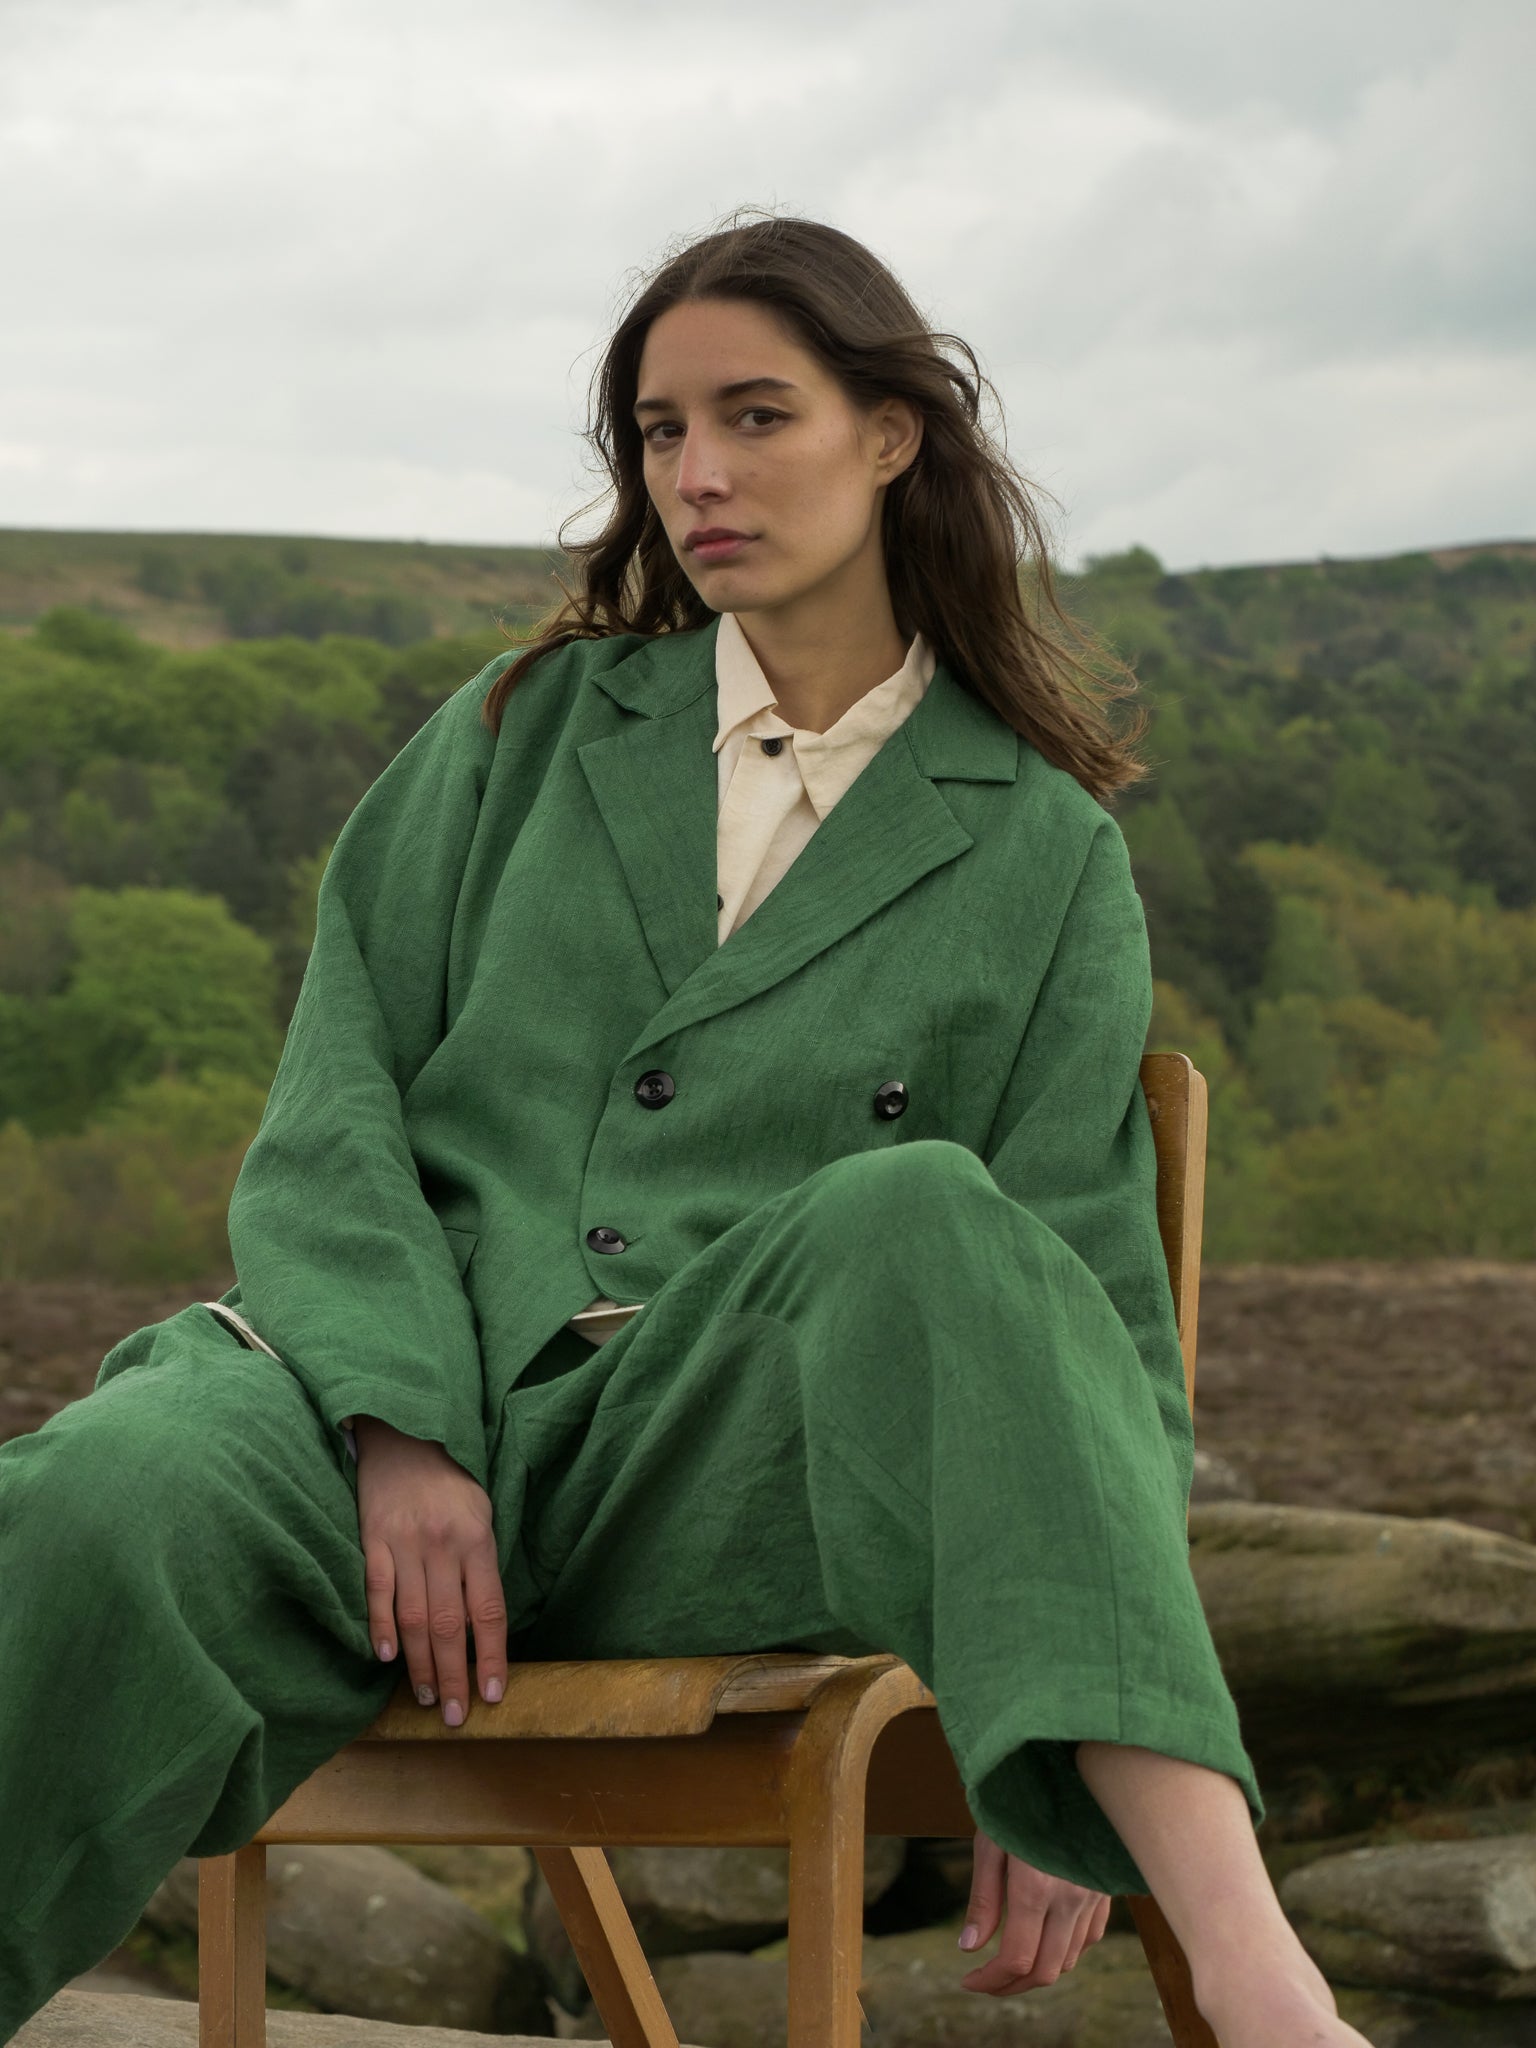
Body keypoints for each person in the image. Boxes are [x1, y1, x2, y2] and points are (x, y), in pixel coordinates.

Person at [0, 208, 1371, 2048]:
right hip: (377, 1431)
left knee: (929, 1209)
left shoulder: (1045, 857)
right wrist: (400, 1425)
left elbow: (1084, 1299)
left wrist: (1063, 1699)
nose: (699, 475)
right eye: (659, 432)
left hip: (709, 1470)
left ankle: (1268, 1987)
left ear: (892, 436)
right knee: (106, 1488)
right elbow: (332, 1102)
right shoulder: (518, 729)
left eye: (755, 417)